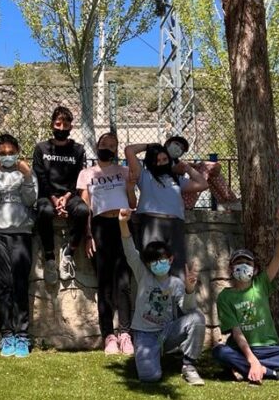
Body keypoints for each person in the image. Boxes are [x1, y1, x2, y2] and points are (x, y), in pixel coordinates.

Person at [213, 209, 279, 383]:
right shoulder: (225, 297)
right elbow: (237, 332)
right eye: (238, 263)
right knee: (219, 352)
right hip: (242, 348)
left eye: (247, 263)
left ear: (254, 269)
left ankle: (247, 368)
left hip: (269, 349)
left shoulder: (260, 284)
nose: (243, 266)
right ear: (231, 269)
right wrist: (251, 358)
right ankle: (274, 373)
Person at [119, 208, 206, 386]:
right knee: (149, 377)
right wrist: (122, 223)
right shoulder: (143, 275)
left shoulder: (175, 283)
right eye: (154, 261)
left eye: (163, 259)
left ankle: (188, 365)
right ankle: (152, 354)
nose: (159, 264)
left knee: (197, 318)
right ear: (148, 264)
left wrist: (190, 289)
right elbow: (130, 250)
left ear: (171, 259)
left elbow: (188, 309)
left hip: (166, 332)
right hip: (144, 334)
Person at [77, 132, 137, 355]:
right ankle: (108, 335)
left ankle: (125, 334)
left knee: (124, 283)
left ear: (116, 149)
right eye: (104, 144)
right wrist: (88, 235)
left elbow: (133, 202)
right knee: (104, 284)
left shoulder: (123, 172)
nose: (108, 147)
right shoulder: (87, 173)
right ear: (97, 145)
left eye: (112, 145)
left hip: (123, 225)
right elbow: (86, 208)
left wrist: (130, 187)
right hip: (100, 228)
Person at [0, 133, 38, 358]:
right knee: (2, 285)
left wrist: (26, 176)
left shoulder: (27, 171)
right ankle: (7, 334)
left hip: (22, 233)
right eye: (3, 153)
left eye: (10, 152)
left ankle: (22, 336)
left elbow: (30, 200)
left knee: (19, 284)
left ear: (17, 151)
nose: (7, 157)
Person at [125, 141, 207, 279]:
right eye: (157, 160)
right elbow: (129, 150)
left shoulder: (177, 179)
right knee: (153, 265)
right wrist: (150, 146)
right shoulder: (144, 175)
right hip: (152, 224)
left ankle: (177, 299)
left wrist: (187, 168)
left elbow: (202, 184)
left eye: (164, 159)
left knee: (178, 267)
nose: (161, 163)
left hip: (175, 224)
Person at [32, 106, 89, 283]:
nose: (62, 128)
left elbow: (78, 176)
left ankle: (69, 253)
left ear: (71, 127)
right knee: (45, 212)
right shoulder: (41, 148)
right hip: (47, 196)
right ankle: (49, 258)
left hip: (69, 196)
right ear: (52, 125)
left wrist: (67, 197)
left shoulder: (78, 150)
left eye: (66, 124)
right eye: (58, 124)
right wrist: (55, 199)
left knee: (82, 211)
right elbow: (41, 176)